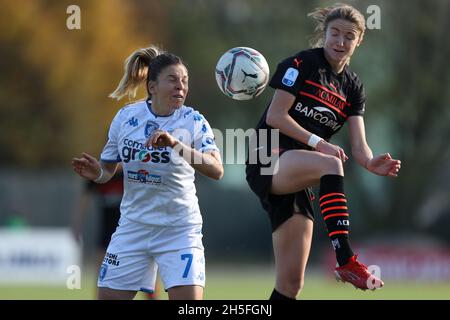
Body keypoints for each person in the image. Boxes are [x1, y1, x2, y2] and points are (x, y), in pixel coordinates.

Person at [245, 3, 401, 299]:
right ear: (324, 34)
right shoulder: (301, 64)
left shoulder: (353, 87)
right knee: (331, 164)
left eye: (349, 36)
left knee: (291, 285)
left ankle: (342, 264)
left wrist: (370, 162)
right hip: (267, 157)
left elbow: (358, 146)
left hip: (301, 172)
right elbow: (275, 117)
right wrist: (321, 143)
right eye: (334, 33)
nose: (340, 42)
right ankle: (346, 260)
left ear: (359, 41)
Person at [72, 45, 223, 300]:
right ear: (152, 87)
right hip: (133, 227)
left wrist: (176, 145)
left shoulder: (194, 122)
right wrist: (97, 172)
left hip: (179, 230)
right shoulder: (126, 117)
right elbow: (108, 170)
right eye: (173, 80)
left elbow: (216, 169)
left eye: (184, 81)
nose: (181, 86)